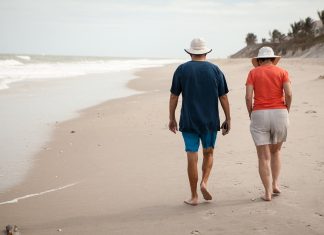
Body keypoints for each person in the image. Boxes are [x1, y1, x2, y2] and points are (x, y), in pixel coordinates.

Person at [169, 38, 231, 206]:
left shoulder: (182, 69)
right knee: (208, 153)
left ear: (190, 52)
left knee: (192, 155)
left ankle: (194, 196)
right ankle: (204, 182)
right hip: (210, 120)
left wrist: (171, 118)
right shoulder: (215, 70)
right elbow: (223, 96)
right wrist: (228, 118)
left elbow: (174, 96)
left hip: (188, 120)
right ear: (206, 52)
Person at [245, 46, 292, 201]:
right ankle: (275, 184)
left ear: (259, 60)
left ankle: (267, 193)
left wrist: (251, 113)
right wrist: (287, 110)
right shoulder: (282, 72)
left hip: (259, 113)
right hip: (280, 112)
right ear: (273, 59)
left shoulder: (253, 73)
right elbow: (289, 93)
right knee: (276, 151)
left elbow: (248, 96)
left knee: (263, 156)